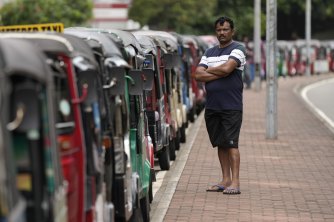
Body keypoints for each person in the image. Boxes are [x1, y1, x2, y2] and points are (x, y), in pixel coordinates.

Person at [194, 16, 246, 195]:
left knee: (232, 144)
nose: (222, 33)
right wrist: (221, 72)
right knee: (220, 144)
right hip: (213, 106)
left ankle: (236, 183)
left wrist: (212, 70)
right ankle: (225, 180)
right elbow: (198, 75)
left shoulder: (238, 49)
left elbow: (227, 69)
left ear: (232, 31)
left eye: (225, 29)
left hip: (231, 106)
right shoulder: (209, 52)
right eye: (219, 30)